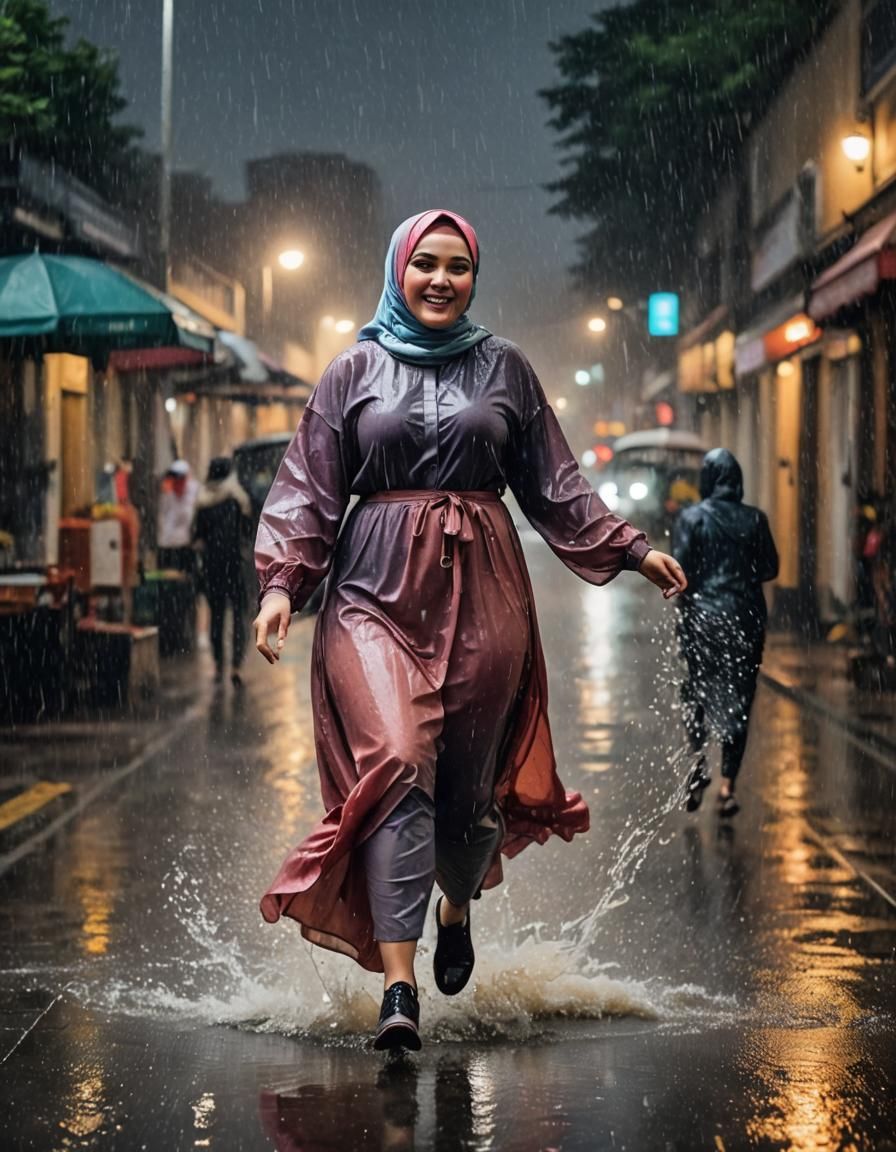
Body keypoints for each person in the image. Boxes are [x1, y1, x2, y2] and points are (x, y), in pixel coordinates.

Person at [253, 209, 686, 1052]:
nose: (442, 280)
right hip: (371, 595)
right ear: (398, 270)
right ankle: (399, 986)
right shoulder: (353, 370)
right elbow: (308, 486)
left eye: (458, 267)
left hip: (486, 597)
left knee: (467, 786)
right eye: (426, 265)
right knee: (399, 758)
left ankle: (456, 907)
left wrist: (632, 548)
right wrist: (281, 584)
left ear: (474, 278)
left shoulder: (507, 369)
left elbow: (555, 483)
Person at [672, 448, 779, 818]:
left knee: (697, 692)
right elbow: (770, 568)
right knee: (740, 700)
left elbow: (679, 570)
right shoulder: (755, 520)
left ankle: (699, 764)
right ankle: (728, 787)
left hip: (701, 622)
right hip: (745, 622)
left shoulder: (691, 518)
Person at [192, 456, 252, 686]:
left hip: (212, 568)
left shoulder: (203, 501)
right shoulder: (239, 498)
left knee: (216, 617)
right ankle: (236, 666)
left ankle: (219, 665)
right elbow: (248, 531)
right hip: (236, 566)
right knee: (239, 615)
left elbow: (196, 536)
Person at [157, 459, 199, 573]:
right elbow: (163, 518)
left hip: (185, 546)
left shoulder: (194, 492)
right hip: (167, 545)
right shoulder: (167, 494)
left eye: (180, 479)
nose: (177, 482)